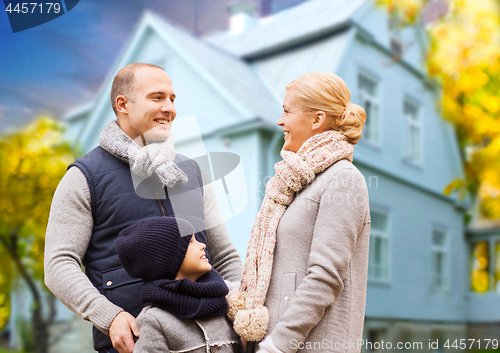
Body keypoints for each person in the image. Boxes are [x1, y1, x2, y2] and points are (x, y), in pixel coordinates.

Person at [44, 63, 242, 353]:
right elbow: (59, 264)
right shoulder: (84, 177)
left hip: (212, 341)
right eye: (157, 97)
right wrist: (108, 316)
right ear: (122, 104)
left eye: (172, 99)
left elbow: (225, 257)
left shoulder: (193, 172)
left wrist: (241, 312)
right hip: (134, 344)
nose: (169, 108)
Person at [226, 72, 371, 353]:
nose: (280, 121)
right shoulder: (295, 182)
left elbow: (325, 277)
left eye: (287, 111)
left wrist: (278, 345)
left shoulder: (343, 178)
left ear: (316, 120)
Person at [115, 216, 242, 353]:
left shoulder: (227, 298)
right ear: (166, 260)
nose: (202, 245)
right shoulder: (154, 320)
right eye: (190, 242)